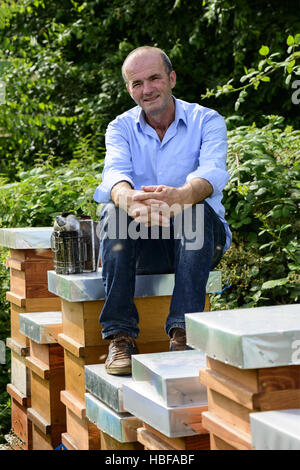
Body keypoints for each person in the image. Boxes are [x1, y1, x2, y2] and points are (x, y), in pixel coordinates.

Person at [93, 46, 231, 375]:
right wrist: (126, 198)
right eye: (137, 83)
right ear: (129, 89)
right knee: (114, 213)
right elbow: (114, 172)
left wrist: (181, 197)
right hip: (143, 247)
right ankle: (120, 337)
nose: (147, 89)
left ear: (171, 78)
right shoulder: (120, 127)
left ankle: (182, 335)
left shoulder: (207, 120)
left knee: (193, 211)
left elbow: (212, 173)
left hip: (198, 241)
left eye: (154, 78)